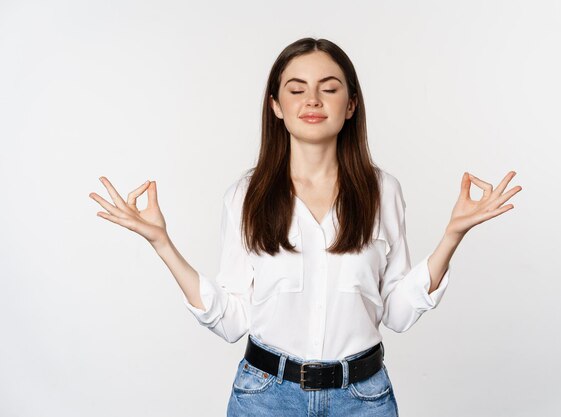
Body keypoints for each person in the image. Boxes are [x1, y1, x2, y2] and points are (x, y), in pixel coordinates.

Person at [89, 37, 522, 416]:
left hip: (363, 399)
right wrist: (161, 242)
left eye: (329, 89)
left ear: (350, 104)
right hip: (264, 397)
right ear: (276, 106)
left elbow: (396, 313)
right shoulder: (246, 194)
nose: (312, 100)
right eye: (296, 90)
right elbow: (232, 319)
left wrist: (453, 235)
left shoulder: (382, 190)